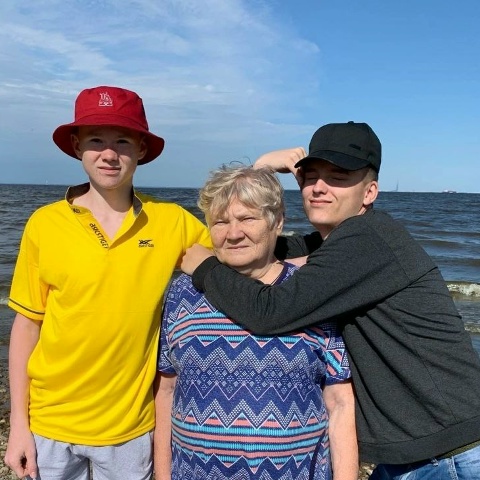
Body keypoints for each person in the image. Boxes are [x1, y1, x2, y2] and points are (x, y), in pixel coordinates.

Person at [181, 122, 480, 480]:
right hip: (419, 450)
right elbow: (258, 243)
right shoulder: (333, 244)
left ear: (369, 192)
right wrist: (259, 170)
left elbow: (270, 311)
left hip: (452, 454)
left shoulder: (368, 238)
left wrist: (205, 268)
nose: (319, 187)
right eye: (310, 177)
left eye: (338, 177)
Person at [5, 85, 211, 480]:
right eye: (96, 140)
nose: (109, 154)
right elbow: (27, 326)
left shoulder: (171, 221)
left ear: (142, 149)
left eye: (123, 141)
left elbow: (245, 251)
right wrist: (18, 425)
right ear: (77, 145)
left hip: (129, 429)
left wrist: (262, 170)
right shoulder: (44, 224)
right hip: (49, 423)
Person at [154, 165, 357, 480]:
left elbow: (340, 402)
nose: (233, 233)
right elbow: (166, 390)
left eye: (247, 218)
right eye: (220, 222)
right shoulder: (183, 292)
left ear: (278, 222)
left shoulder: (309, 292)